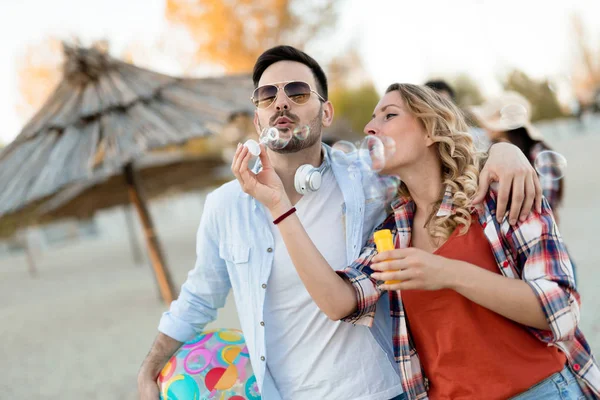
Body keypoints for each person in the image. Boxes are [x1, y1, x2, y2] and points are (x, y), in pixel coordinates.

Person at [138, 46, 544, 400]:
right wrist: (148, 368)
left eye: (297, 92)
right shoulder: (225, 205)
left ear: (326, 111)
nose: (281, 102)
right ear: (257, 117)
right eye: (267, 95)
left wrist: (504, 153)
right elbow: (198, 297)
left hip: (392, 388)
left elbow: (439, 146)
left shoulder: (369, 177)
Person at [233, 82, 600, 399]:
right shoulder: (393, 234)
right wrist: (279, 206)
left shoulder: (502, 193)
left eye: (388, 115)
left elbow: (560, 310)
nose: (369, 127)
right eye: (372, 118)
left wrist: (447, 272)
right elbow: (338, 302)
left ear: (431, 131)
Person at [470, 91, 564, 220]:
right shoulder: (490, 153)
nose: (483, 125)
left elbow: (546, 204)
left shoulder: (541, 154)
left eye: (488, 120)